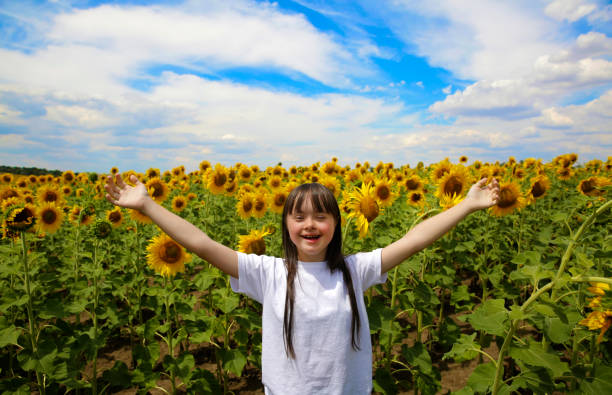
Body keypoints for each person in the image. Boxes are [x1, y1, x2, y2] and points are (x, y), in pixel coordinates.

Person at [104, 172, 499, 394]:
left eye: (321, 216)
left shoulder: (354, 270)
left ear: (335, 225)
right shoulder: (268, 273)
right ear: (286, 225)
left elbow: (414, 240)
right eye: (299, 216)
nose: (310, 225)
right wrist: (147, 205)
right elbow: (202, 244)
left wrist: (465, 204)